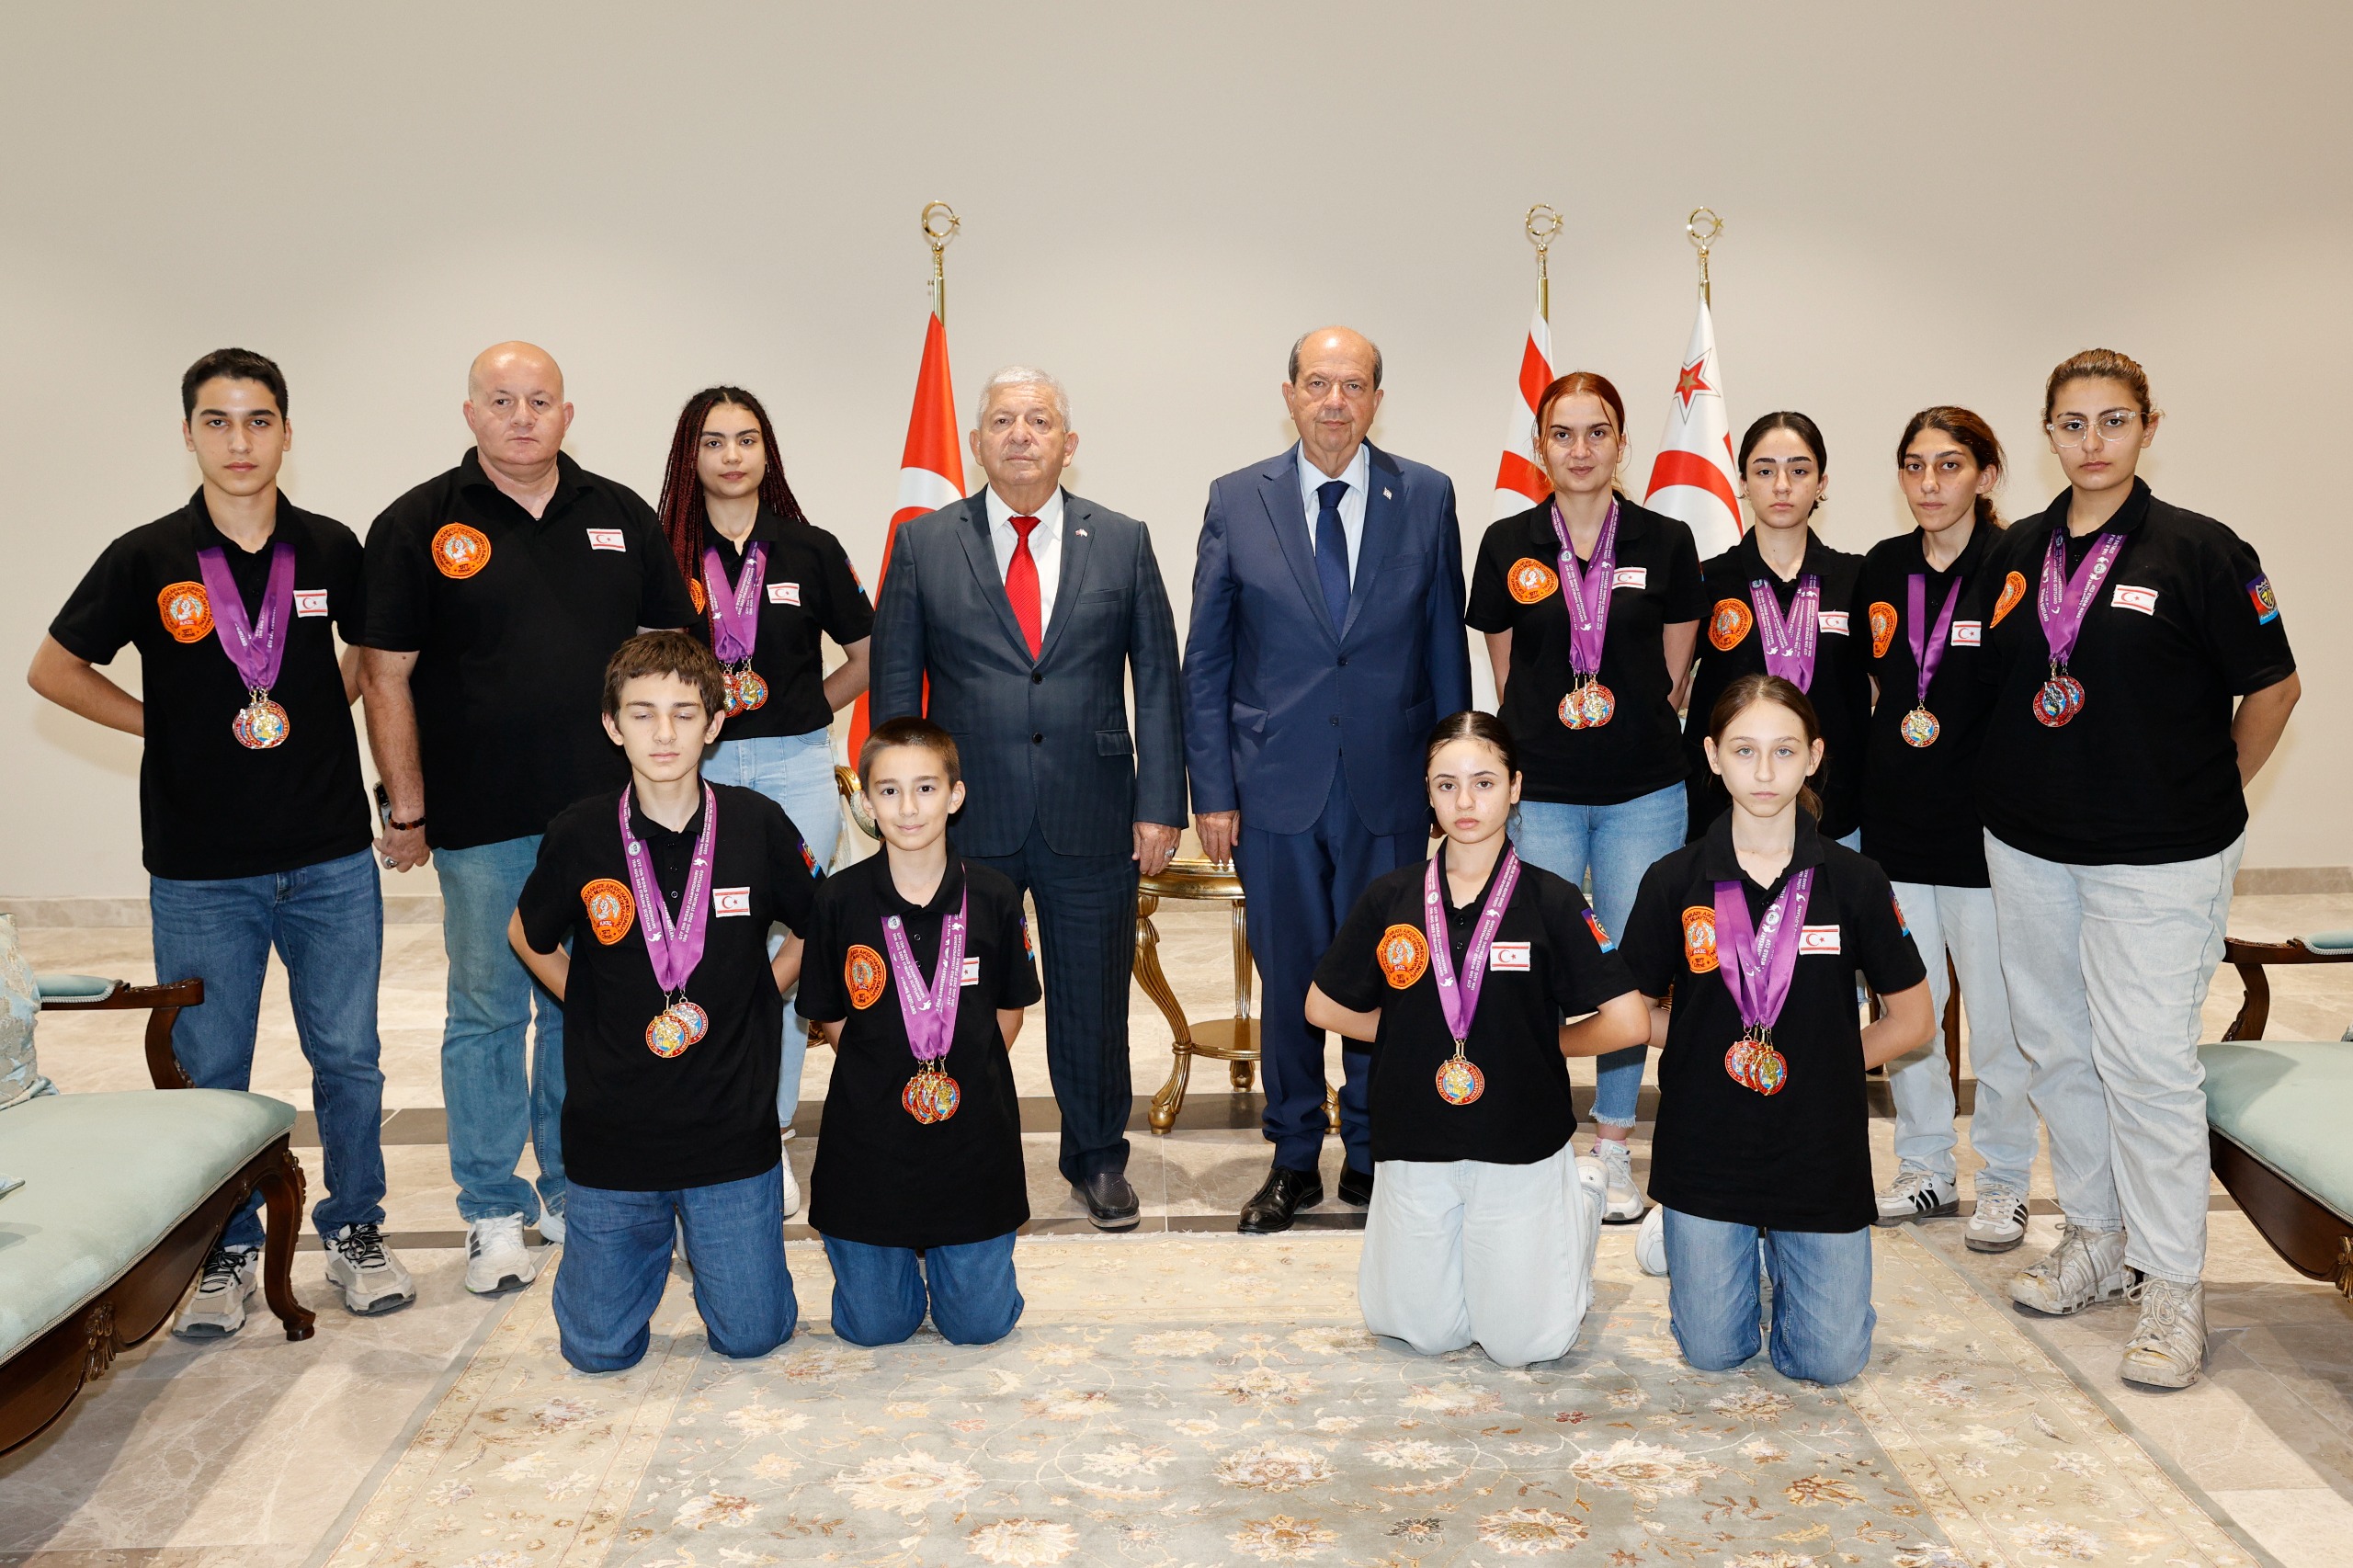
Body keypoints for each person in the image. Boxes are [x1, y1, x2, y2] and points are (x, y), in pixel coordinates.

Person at [28, 347, 411, 1334]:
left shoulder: (331, 548)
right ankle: (224, 1248)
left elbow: (375, 660)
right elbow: (53, 670)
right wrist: (163, 726)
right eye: (217, 420)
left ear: (286, 431)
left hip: (328, 858)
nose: (239, 441)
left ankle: (356, 1228)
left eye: (258, 420)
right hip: (200, 869)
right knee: (209, 1070)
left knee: (350, 1057)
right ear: (189, 433)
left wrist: (326, 716)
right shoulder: (146, 555)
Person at [1975, 349, 2298, 1389]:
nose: (2092, 442)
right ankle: (2098, 1236)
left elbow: (2275, 689)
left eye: (2113, 420)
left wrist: (2208, 792)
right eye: (2071, 424)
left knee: (2147, 1065)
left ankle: (2171, 1284)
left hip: (2158, 859)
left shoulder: (2202, 550)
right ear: (2048, 434)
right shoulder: (2016, 552)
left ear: (2148, 427)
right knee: (2058, 1049)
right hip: (2030, 846)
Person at [360, 342, 697, 1294]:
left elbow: (669, 660)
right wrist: (407, 807)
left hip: (607, 824)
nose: (521, 416)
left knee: (582, 1003)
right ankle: (489, 1208)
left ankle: (566, 1184)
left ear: (566, 414)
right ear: (470, 412)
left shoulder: (620, 515)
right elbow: (384, 676)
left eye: (539, 400)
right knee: (486, 1009)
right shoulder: (417, 523)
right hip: (482, 823)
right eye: (501, 400)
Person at [868, 367, 1183, 1231]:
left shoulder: (1122, 540)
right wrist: (899, 807)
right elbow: (895, 688)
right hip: (967, 817)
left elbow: (1159, 679)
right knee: (959, 996)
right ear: (976, 443)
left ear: (1067, 444)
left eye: (1038, 421)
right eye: (1002, 421)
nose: (1020, 435)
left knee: (1093, 1000)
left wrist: (1161, 804)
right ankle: (960, 1150)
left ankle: (1098, 1158)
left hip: (1093, 810)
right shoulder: (923, 544)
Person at [1184, 326, 1473, 1233]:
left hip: (1390, 786)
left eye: (1353, 385)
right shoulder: (1237, 498)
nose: (1335, 402)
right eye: (1318, 383)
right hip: (1274, 786)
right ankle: (1294, 1156)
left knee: (1393, 970)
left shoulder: (1426, 495)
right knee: (1292, 975)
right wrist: (1211, 789)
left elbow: (1444, 645)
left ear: (1378, 400)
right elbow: (1207, 659)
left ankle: (1377, 1151)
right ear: (1290, 395)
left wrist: (1456, 780)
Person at [509, 631, 815, 1372]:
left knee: (751, 1336)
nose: (665, 733)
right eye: (642, 714)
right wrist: (586, 1000)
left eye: (684, 713)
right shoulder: (581, 832)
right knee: (596, 1351)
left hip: (730, 1133)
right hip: (615, 1136)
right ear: (612, 726)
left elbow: (820, 924)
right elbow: (527, 933)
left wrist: (762, 993)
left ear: (715, 723)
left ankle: (713, 1243)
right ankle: (650, 1240)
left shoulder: (757, 823)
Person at [1307, 712, 1648, 1367]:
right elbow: (1322, 1005)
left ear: (1515, 788)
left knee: (1525, 1345)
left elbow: (1628, 1021)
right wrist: (1412, 1030)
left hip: (1519, 1141)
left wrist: (1543, 1043)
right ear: (1429, 794)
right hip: (1415, 1137)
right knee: (1421, 1333)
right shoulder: (1391, 898)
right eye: (1447, 785)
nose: (1465, 802)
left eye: (1484, 782)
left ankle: (1579, 1200)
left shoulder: (1552, 900)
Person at [1619, 675, 1933, 1384]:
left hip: (1818, 1147)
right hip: (1705, 1144)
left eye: (1784, 751)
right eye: (1744, 750)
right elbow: (1631, 1012)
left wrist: (1826, 1061)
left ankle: (1768, 1258)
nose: (1764, 772)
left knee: (1829, 1362)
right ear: (1712, 755)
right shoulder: (1672, 880)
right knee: (1714, 1352)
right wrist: (1699, 1039)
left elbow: (1913, 1019)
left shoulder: (1855, 880)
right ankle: (1690, 1240)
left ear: (1814, 757)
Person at [1466, 370, 1702, 1224]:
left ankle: (1613, 1146)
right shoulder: (1507, 542)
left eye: (1596, 432)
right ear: (1540, 446)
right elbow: (1507, 675)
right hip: (1546, 793)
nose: (1579, 449)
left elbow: (1674, 673)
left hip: (1645, 790)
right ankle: (1537, 1136)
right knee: (1534, 961)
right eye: (1561, 434)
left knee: (1628, 972)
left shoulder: (1667, 539)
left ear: (1621, 442)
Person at [658, 385, 873, 1220]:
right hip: (691, 771)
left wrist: (809, 708)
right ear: (691, 455)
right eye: (714, 441)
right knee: (692, 944)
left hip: (794, 770)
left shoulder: (809, 547)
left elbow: (868, 652)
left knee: (786, 948)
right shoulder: (662, 550)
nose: (732, 455)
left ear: (767, 451)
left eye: (746, 439)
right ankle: (701, 1118)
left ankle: (770, 1132)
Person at [794, 718, 1040, 1345]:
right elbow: (831, 1015)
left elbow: (1008, 1011)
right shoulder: (838, 902)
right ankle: (893, 1269)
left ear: (956, 796)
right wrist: (882, 1070)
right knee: (876, 1327)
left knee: (979, 1326)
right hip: (869, 1145)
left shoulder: (995, 896)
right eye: (890, 790)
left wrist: (964, 1066)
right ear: (867, 802)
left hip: (972, 1143)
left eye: (926, 788)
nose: (908, 808)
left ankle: (962, 1271)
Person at [1858, 408, 2033, 1249]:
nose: (1929, 483)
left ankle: (2004, 1180)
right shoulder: (1883, 567)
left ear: (1986, 476)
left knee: (1999, 1023)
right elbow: (1875, 688)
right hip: (1898, 828)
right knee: (1910, 1012)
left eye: (1950, 465)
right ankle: (1924, 1165)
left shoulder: (2014, 563)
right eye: (1915, 465)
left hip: (1986, 834)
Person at [1679, 414, 1869, 847]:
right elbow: (1675, 680)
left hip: (1835, 806)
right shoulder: (1708, 579)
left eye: (1799, 471)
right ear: (1743, 483)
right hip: (1724, 807)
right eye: (1765, 471)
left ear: (1821, 483)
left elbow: (1878, 684)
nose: (1782, 486)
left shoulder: (1857, 577)